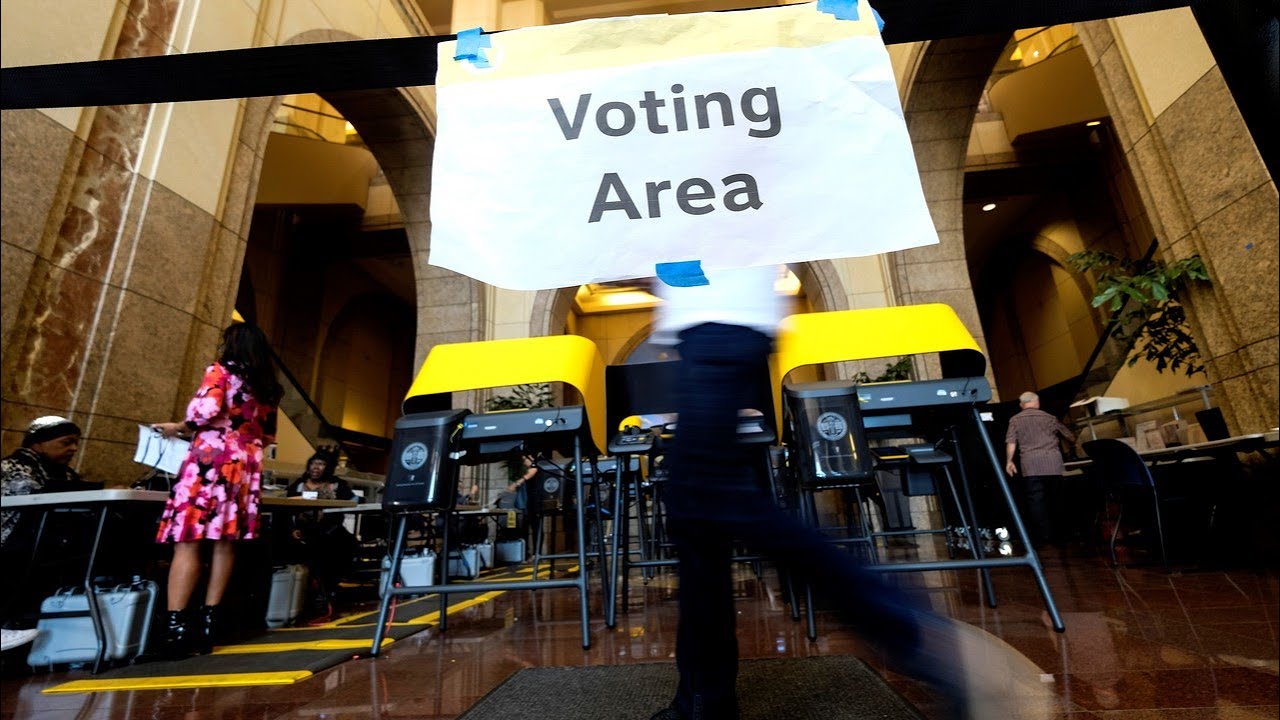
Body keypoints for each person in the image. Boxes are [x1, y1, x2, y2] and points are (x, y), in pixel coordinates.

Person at [648, 266, 1049, 720]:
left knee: (714, 504)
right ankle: (704, 701)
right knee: (698, 526)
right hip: (713, 329)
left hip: (718, 322)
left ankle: (917, 635)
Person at [152, 323, 282, 657]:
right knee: (225, 542)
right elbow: (268, 435)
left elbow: (206, 411)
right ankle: (211, 622)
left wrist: (179, 427)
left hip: (211, 460)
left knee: (189, 540)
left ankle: (177, 628)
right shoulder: (267, 386)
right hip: (246, 463)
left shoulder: (220, 371)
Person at [1, 416, 98, 652]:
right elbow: (35, 499)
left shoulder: (62, 473)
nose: (73, 449)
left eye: (75, 443)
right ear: (38, 443)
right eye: (66, 442)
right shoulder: (13, 467)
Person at [285, 448, 358, 619]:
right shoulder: (298, 485)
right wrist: (293, 528)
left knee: (346, 544)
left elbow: (353, 500)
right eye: (313, 463)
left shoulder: (337, 485)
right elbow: (288, 509)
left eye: (321, 464)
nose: (316, 467)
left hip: (330, 531)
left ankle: (328, 590)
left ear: (328, 467)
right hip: (304, 531)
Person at [1004, 391, 1076, 545]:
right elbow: (1069, 436)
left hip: (1030, 465)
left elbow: (1011, 442)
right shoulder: (1050, 418)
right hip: (1053, 463)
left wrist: (1009, 461)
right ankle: (1061, 536)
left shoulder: (1015, 420)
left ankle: (1043, 536)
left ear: (1021, 405)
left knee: (1036, 500)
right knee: (1057, 498)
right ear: (1037, 402)